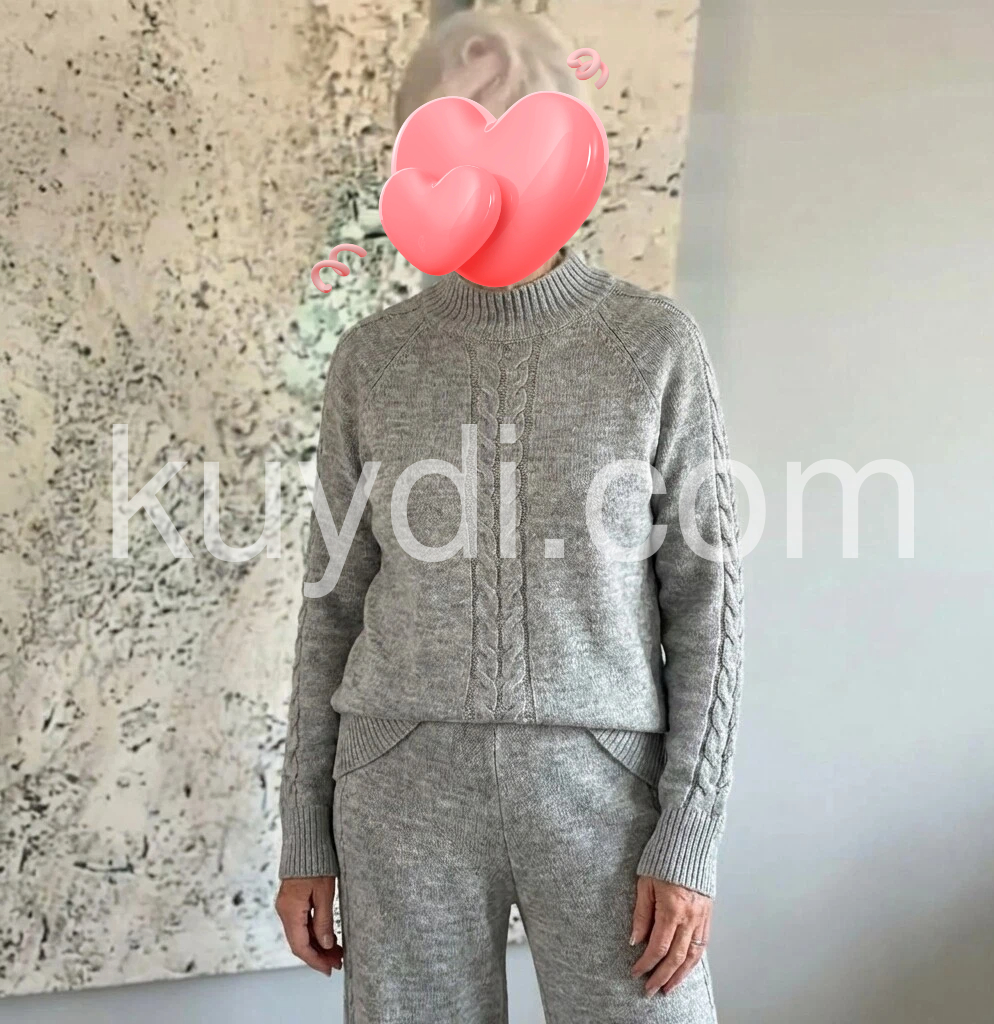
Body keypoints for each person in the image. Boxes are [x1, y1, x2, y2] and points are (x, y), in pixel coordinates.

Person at [275, 11, 744, 1024]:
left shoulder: (651, 346)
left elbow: (705, 604)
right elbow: (333, 603)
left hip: (602, 785)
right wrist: (304, 829)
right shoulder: (374, 358)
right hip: (399, 781)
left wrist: (688, 835)